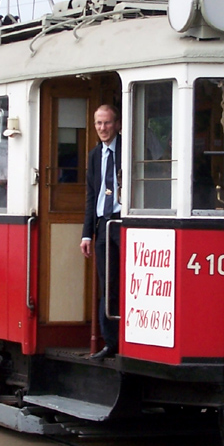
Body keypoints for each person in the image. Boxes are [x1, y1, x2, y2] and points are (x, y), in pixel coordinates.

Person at [80, 104, 122, 360]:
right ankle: (111, 342)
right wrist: (87, 234)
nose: (102, 128)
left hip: (124, 222)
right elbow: (91, 196)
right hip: (103, 226)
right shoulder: (95, 155)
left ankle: (129, 339)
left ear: (117, 125)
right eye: (98, 123)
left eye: (107, 123)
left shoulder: (128, 149)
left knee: (127, 282)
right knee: (108, 285)